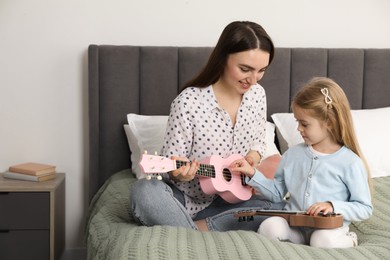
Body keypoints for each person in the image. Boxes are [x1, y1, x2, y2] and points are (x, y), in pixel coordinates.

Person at [130, 21, 284, 232]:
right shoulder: (188, 102)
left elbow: (258, 143)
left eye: (261, 71)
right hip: (185, 201)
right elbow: (170, 168)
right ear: (223, 59)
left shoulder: (258, 95)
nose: (253, 80)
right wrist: (179, 173)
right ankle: (202, 229)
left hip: (234, 200)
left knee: (281, 206)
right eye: (245, 69)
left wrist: (251, 160)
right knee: (145, 192)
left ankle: (194, 230)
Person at [230, 77, 373, 248]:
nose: (298, 129)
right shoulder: (292, 155)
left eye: (304, 123)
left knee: (321, 240)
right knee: (270, 227)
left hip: (327, 231)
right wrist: (253, 174)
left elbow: (364, 208)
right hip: (295, 227)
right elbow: (277, 193)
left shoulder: (350, 162)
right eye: (297, 122)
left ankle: (350, 239)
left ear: (329, 122)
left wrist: (332, 205)